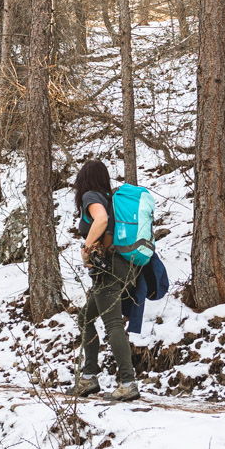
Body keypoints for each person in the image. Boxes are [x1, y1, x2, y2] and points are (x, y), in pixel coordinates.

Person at [68, 158, 140, 401]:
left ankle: (128, 382)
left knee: (113, 324)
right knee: (85, 317)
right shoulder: (110, 199)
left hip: (108, 270)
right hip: (122, 266)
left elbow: (101, 221)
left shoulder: (91, 197)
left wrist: (86, 248)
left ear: (84, 180)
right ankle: (89, 376)